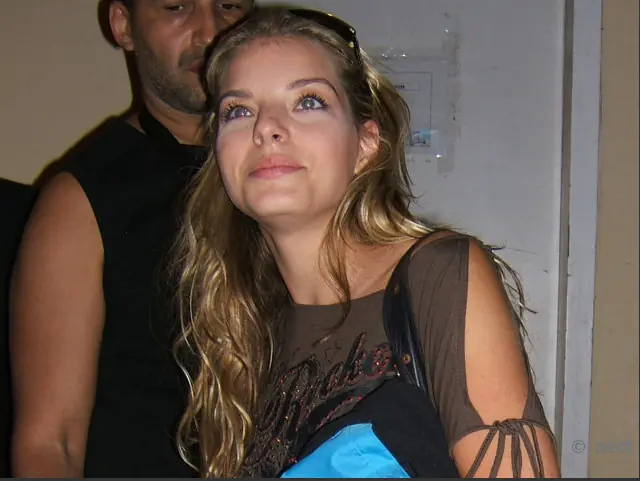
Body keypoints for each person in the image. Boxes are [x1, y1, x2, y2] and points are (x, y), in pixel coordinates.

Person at [173, 6, 562, 478]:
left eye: (308, 101)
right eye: (239, 110)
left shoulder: (436, 275)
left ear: (365, 144)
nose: (266, 128)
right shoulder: (237, 326)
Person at [9, 0, 254, 477]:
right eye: (176, 7)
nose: (210, 32)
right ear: (124, 25)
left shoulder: (284, 171)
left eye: (229, 5)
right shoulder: (85, 197)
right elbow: (50, 444)